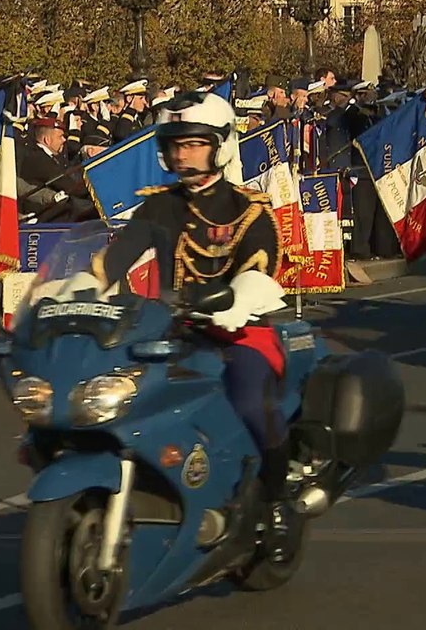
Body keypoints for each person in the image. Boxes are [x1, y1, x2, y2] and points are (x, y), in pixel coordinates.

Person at [94, 91, 300, 559]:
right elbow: (116, 258)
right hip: (170, 333)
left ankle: (276, 498)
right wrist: (73, 290)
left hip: (237, 329)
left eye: (193, 144)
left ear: (220, 145)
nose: (180, 154)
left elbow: (259, 266)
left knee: (249, 400)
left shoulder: (247, 209)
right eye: (173, 144)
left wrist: (236, 297)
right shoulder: (157, 206)